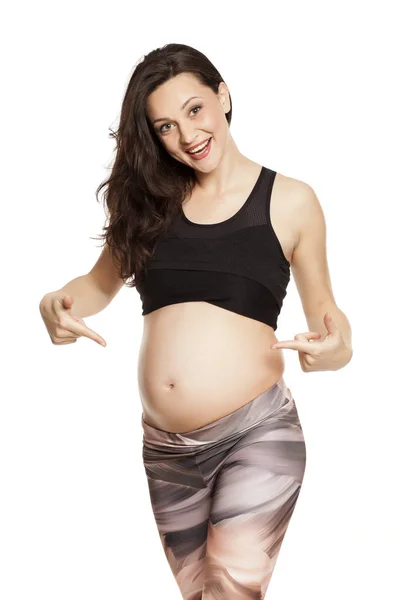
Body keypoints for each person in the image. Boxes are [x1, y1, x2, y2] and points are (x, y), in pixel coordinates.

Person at [39, 43, 353, 599]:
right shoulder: (149, 205)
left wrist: (335, 347)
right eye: (164, 126)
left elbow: (331, 323)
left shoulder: (290, 201)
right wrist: (57, 302)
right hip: (166, 451)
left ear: (222, 96)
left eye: (194, 110)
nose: (186, 136)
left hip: (256, 432)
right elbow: (95, 286)